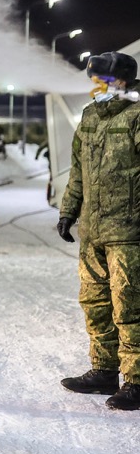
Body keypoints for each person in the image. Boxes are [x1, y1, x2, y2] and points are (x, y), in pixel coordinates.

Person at [57, 51, 140, 411]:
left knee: (131, 306)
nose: (96, 86)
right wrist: (68, 211)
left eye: (103, 79)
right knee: (95, 302)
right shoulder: (90, 116)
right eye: (94, 80)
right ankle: (104, 371)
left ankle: (136, 380)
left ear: (123, 80)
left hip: (129, 230)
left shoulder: (137, 115)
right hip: (93, 230)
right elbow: (77, 170)